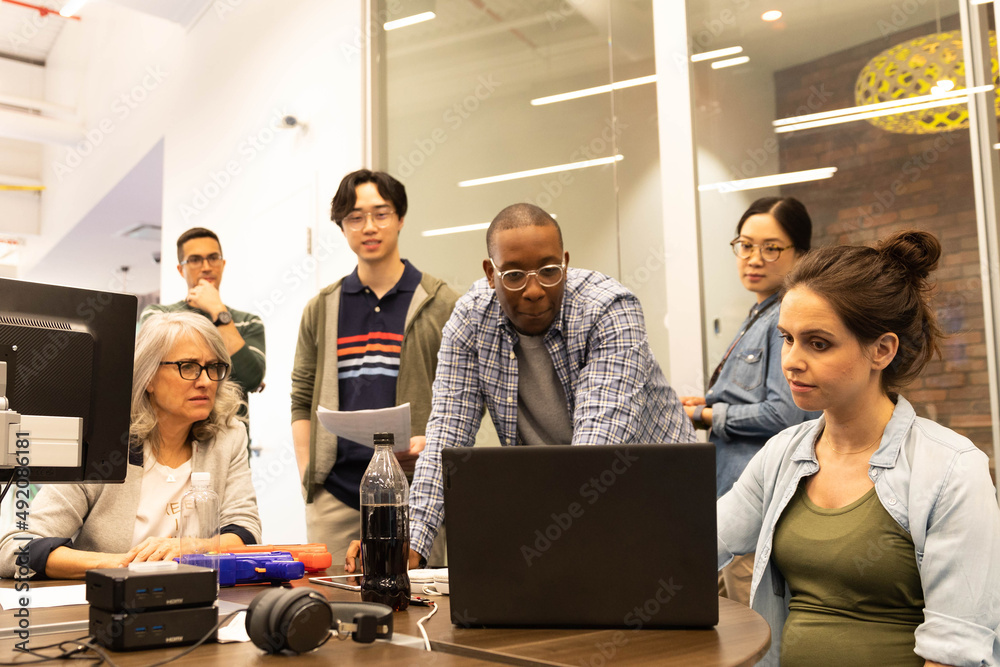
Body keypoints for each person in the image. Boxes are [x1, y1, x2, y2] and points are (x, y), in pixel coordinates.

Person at [347, 203, 696, 571]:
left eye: (549, 271)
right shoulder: (470, 320)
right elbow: (447, 435)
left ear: (565, 264)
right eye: (513, 275)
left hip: (657, 495)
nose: (534, 290)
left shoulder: (609, 309)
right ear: (490, 273)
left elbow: (597, 450)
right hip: (569, 500)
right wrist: (409, 542)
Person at [717, 230, 1000, 666]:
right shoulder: (782, 454)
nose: (791, 361)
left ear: (881, 350)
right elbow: (697, 545)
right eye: (787, 338)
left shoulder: (951, 468)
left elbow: (955, 651)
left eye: (818, 343)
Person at [0, 312, 261, 579]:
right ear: (148, 378)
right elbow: (15, 549)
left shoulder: (228, 436)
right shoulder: (102, 444)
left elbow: (246, 531)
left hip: (199, 595)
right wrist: (124, 565)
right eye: (189, 366)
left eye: (213, 367)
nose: (205, 381)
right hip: (110, 599)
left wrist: (189, 548)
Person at [291, 169, 458, 561]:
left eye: (381, 214)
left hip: (417, 492)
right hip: (336, 495)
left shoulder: (441, 302)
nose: (369, 226)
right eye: (355, 217)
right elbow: (301, 397)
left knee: (416, 595)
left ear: (400, 218)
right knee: (334, 595)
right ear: (342, 226)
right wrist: (310, 473)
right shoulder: (322, 307)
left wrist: (433, 446)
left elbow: (462, 397)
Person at [681, 196, 820, 605]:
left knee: (752, 631)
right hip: (731, 498)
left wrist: (706, 414)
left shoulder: (784, 321)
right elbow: (752, 393)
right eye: (745, 245)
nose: (754, 259)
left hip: (756, 504)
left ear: (801, 254)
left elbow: (786, 412)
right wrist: (710, 399)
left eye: (771, 248)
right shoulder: (759, 313)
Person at [140, 227, 266, 425]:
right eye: (195, 260)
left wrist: (218, 311)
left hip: (231, 437)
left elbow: (250, 379)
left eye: (213, 258)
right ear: (181, 270)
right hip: (169, 435)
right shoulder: (158, 316)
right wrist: (234, 363)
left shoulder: (249, 322)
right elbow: (151, 372)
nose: (206, 267)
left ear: (223, 264)